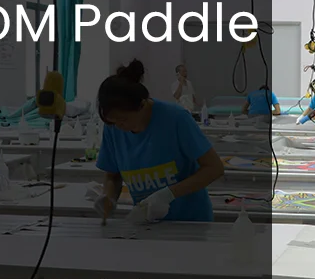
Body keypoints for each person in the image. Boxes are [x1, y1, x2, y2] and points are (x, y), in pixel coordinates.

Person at [95, 60, 224, 224]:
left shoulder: (176, 119)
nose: (119, 127)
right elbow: (112, 175)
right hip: (148, 225)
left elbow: (214, 168)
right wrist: (108, 196)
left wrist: (168, 194)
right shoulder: (113, 128)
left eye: (123, 120)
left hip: (190, 223)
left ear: (142, 105)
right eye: (113, 122)